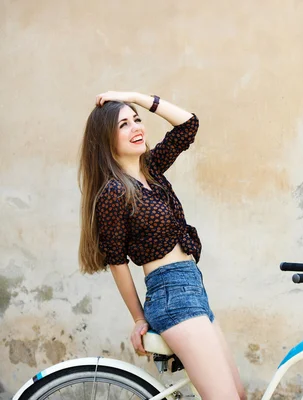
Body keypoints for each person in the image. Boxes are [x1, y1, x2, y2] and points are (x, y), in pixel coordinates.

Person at [78, 91, 246, 400]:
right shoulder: (113, 193)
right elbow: (117, 262)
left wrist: (135, 97)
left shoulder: (151, 171)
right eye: (124, 125)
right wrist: (139, 318)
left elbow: (188, 126)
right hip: (170, 295)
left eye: (137, 120)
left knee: (238, 394)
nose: (137, 127)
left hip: (193, 288)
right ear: (105, 139)